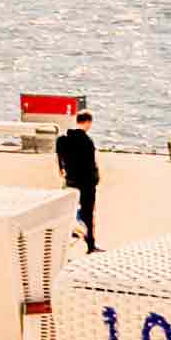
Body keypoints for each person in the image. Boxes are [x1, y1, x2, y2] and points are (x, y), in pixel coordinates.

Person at [55, 106, 102, 251]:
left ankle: (67, 239)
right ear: (88, 122)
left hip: (70, 180)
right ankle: (90, 245)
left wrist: (62, 171)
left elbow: (58, 158)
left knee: (68, 210)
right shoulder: (87, 141)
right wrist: (96, 178)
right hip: (86, 183)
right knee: (88, 213)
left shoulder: (62, 139)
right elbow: (90, 163)